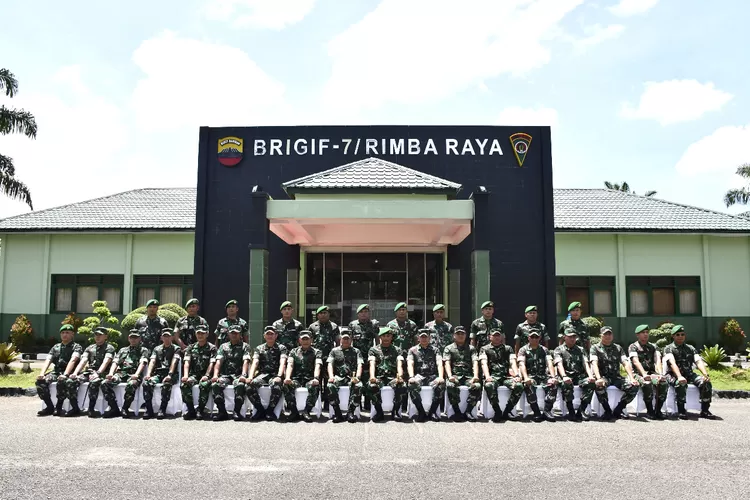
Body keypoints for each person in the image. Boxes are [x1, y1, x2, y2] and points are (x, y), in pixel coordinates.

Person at [664, 325, 715, 419]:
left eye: (682, 334)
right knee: (681, 383)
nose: (680, 336)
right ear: (673, 336)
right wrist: (679, 376)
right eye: (678, 334)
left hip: (689, 374)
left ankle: (705, 410)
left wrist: (705, 374)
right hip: (673, 374)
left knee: (706, 382)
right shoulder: (669, 348)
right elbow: (672, 363)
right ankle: (681, 410)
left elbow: (698, 361)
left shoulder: (690, 348)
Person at [589, 326, 639, 420]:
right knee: (599, 386)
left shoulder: (618, 348)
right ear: (601, 336)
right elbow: (594, 363)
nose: (608, 336)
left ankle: (619, 409)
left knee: (634, 386)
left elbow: (625, 363)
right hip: (603, 377)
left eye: (610, 334)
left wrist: (631, 378)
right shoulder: (595, 348)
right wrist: (599, 378)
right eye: (605, 334)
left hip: (616, 377)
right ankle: (607, 410)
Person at [36, 324, 83, 417]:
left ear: (72, 334)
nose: (64, 335)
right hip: (57, 372)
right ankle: (49, 407)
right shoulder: (56, 347)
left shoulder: (76, 347)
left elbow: (73, 360)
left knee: (62, 381)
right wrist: (42, 373)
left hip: (70, 373)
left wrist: (65, 374)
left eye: (67, 333)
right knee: (40, 382)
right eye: (62, 333)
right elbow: (48, 360)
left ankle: (59, 407)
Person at [102, 329, 150, 418]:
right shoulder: (122, 350)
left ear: (140, 339)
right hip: (120, 374)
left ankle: (125, 408)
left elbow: (143, 363)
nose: (133, 340)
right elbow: (115, 362)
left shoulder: (143, 350)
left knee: (131, 384)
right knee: (105, 383)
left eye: (135, 338)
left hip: (133, 375)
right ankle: (114, 408)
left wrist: (136, 374)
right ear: (128, 338)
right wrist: (111, 373)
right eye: (132, 338)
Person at [69, 326, 115, 418]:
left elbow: (106, 361)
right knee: (71, 382)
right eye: (96, 335)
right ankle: (75, 407)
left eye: (100, 335)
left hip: (103, 373)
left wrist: (97, 373)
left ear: (106, 336)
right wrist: (75, 373)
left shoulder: (109, 348)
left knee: (94, 382)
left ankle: (91, 408)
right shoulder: (90, 347)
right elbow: (83, 361)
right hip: (89, 372)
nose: (97, 337)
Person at [480, 329, 523, 422]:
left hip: (505, 377)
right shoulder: (484, 349)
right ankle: (497, 411)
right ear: (489, 337)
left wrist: (516, 375)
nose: (496, 337)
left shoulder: (508, 348)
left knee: (519, 386)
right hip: (493, 377)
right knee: (489, 385)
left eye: (498, 335)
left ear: (502, 337)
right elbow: (484, 363)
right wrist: (487, 376)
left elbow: (513, 362)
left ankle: (507, 411)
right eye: (494, 335)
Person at [246, 326, 287, 421]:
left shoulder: (282, 348)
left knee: (276, 386)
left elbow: (282, 362)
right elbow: (255, 362)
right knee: (249, 386)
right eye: (267, 334)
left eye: (272, 334)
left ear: (276, 336)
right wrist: (250, 377)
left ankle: (270, 410)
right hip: (263, 374)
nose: (270, 336)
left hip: (275, 374)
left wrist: (279, 376)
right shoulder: (259, 348)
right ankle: (260, 410)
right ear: (264, 336)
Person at [211, 324, 251, 421]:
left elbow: (246, 361)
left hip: (238, 375)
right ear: (228, 334)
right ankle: (222, 412)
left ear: (240, 334)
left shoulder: (245, 346)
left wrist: (244, 375)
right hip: (226, 375)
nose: (234, 335)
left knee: (240, 385)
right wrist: (215, 375)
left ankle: (236, 412)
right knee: (216, 385)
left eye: (236, 333)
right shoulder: (223, 346)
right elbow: (218, 362)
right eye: (232, 333)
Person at [554, 328, 595, 421]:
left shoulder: (580, 349)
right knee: (566, 384)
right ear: (565, 337)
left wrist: (590, 376)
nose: (572, 339)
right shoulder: (559, 349)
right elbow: (559, 364)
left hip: (579, 376)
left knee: (591, 383)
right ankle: (571, 410)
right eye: (570, 337)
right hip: (566, 376)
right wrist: (564, 376)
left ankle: (581, 410)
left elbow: (585, 363)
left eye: (574, 337)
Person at [628, 324, 667, 419]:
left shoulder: (653, 346)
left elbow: (657, 360)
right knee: (647, 383)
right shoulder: (633, 346)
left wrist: (660, 374)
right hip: (637, 374)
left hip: (651, 373)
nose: (645, 334)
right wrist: (644, 374)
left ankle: (658, 410)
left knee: (663, 382)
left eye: (646, 332)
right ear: (637, 335)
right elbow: (635, 361)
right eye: (642, 333)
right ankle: (650, 410)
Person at [367, 327, 406, 421]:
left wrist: (400, 377)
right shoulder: (373, 350)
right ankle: (379, 411)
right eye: (384, 336)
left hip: (392, 377)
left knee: (402, 386)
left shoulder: (397, 350)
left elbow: (399, 365)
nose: (386, 338)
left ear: (392, 337)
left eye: (388, 336)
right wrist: (372, 377)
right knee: (372, 386)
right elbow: (372, 364)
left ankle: (395, 411)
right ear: (380, 337)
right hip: (379, 377)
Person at [517, 330, 557, 422]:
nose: (534, 339)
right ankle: (536, 412)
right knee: (528, 385)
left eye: (536, 337)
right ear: (528, 338)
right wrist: (526, 377)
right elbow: (521, 364)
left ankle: (547, 411)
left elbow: (550, 363)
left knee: (554, 384)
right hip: (530, 376)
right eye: (532, 337)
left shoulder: (544, 350)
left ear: (539, 338)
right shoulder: (523, 350)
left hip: (542, 375)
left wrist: (553, 377)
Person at [443, 326, 481, 422]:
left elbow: (475, 362)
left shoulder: (471, 348)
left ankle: (468, 411)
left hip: (468, 376)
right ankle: (457, 411)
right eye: (458, 334)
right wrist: (450, 376)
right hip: (455, 376)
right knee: (450, 385)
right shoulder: (449, 348)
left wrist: (475, 376)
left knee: (477, 386)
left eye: (462, 334)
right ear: (454, 336)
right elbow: (447, 362)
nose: (460, 336)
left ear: (466, 335)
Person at [283, 330, 323, 422]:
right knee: (286, 385)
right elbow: (290, 364)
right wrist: (288, 377)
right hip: (296, 378)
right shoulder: (293, 351)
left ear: (311, 340)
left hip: (309, 379)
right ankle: (294, 412)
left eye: (307, 339)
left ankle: (306, 411)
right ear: (299, 340)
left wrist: (316, 378)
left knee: (315, 386)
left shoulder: (317, 352)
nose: (305, 341)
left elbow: (318, 365)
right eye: (303, 339)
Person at [407, 329, 445, 422]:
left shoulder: (435, 350)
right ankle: (421, 412)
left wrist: (440, 377)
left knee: (441, 385)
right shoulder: (413, 350)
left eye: (426, 337)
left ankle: (432, 412)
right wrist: (411, 377)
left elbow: (439, 363)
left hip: (432, 376)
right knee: (411, 385)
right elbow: (410, 363)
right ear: (418, 338)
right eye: (422, 337)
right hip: (419, 375)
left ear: (430, 338)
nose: (424, 339)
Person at [143, 328, 182, 419]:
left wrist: (170, 374)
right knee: (146, 383)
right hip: (159, 374)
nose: (166, 338)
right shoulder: (157, 349)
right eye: (164, 336)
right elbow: (152, 361)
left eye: (168, 336)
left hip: (171, 374)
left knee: (167, 384)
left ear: (172, 337)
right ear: (161, 338)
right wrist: (148, 374)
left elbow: (174, 361)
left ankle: (162, 409)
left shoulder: (176, 349)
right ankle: (149, 410)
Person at [326, 329, 363, 423]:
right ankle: (337, 413)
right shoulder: (334, 351)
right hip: (339, 377)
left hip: (351, 377)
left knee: (359, 386)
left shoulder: (356, 351)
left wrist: (357, 377)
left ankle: (350, 412)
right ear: (340, 339)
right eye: (344, 338)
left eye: (348, 339)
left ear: (351, 340)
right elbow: (330, 364)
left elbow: (360, 364)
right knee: (330, 386)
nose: (346, 340)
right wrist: (331, 376)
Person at [181, 325, 216, 420]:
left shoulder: (212, 348)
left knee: (204, 385)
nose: (200, 335)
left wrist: (207, 375)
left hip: (207, 375)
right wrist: (185, 375)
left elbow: (212, 363)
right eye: (198, 333)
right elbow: (187, 362)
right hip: (194, 375)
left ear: (207, 334)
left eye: (203, 333)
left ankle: (200, 410)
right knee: (184, 385)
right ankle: (191, 410)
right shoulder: (191, 348)